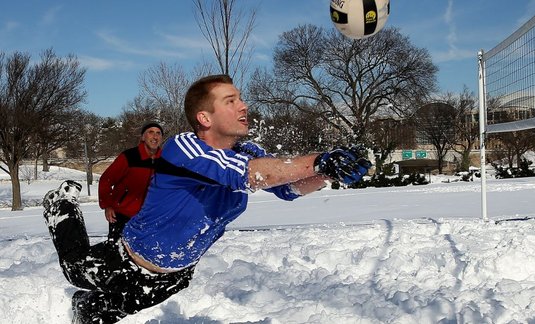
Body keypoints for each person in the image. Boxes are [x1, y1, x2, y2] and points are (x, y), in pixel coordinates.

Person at [42, 74, 372, 323]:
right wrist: (320, 161)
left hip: (176, 274)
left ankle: (84, 308)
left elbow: (287, 188)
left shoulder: (248, 152)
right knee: (74, 268)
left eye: (240, 99)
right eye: (231, 101)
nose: (243, 106)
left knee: (102, 312)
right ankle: (61, 207)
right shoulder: (183, 148)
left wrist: (331, 174)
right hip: (126, 260)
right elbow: (249, 175)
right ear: (205, 118)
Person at [98, 121, 163, 242]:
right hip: (122, 215)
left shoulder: (165, 160)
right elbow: (106, 179)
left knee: (144, 257)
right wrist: (107, 205)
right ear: (143, 137)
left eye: (158, 133)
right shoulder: (129, 156)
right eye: (151, 132)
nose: (155, 136)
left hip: (149, 218)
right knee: (116, 254)